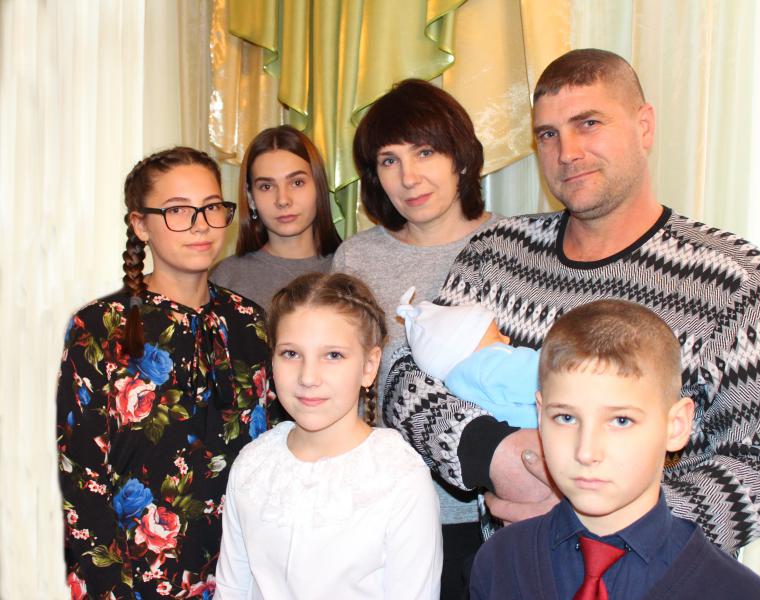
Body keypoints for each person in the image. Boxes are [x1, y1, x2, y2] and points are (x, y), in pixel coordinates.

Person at [385, 48, 760, 554]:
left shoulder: (733, 278)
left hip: (657, 580)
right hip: (515, 575)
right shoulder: (496, 253)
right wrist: (495, 454)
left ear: (644, 126)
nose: (567, 152)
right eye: (548, 134)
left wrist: (610, 517)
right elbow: (406, 380)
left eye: (588, 123)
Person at [56, 147, 272, 598]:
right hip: (133, 581)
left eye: (211, 207)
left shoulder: (249, 322)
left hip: (241, 574)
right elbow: (82, 481)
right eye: (177, 210)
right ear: (141, 225)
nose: (200, 224)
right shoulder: (100, 326)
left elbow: (272, 453)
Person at [470, 300, 760, 599]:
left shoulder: (735, 591)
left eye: (621, 421)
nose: (586, 452)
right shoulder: (499, 563)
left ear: (676, 426)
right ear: (540, 415)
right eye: (566, 418)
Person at [332, 78, 501, 596]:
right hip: (384, 511)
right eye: (390, 160)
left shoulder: (514, 245)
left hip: (491, 514)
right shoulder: (357, 259)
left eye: (425, 151)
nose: (409, 177)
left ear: (460, 157)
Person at [214, 273, 442, 599]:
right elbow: (232, 589)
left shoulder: (400, 476)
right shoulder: (253, 465)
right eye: (291, 353)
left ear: (369, 366)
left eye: (333, 355)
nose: (308, 377)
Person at [210, 125, 341, 311]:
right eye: (266, 187)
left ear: (318, 188)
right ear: (251, 198)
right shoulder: (225, 278)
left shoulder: (349, 266)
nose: (283, 200)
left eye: (297, 183)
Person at [397, 287, 540, 428]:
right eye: (497, 336)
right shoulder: (489, 362)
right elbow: (540, 374)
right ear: (470, 345)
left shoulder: (455, 386)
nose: (507, 339)